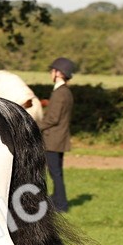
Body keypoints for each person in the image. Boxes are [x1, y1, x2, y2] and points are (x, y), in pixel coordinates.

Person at [39, 57, 76, 213]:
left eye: (52, 70)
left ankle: (60, 204)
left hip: (53, 139)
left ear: (59, 73)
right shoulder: (66, 92)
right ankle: (57, 200)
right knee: (56, 172)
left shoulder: (60, 93)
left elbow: (53, 119)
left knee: (54, 173)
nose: (50, 73)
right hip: (59, 138)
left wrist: (33, 126)